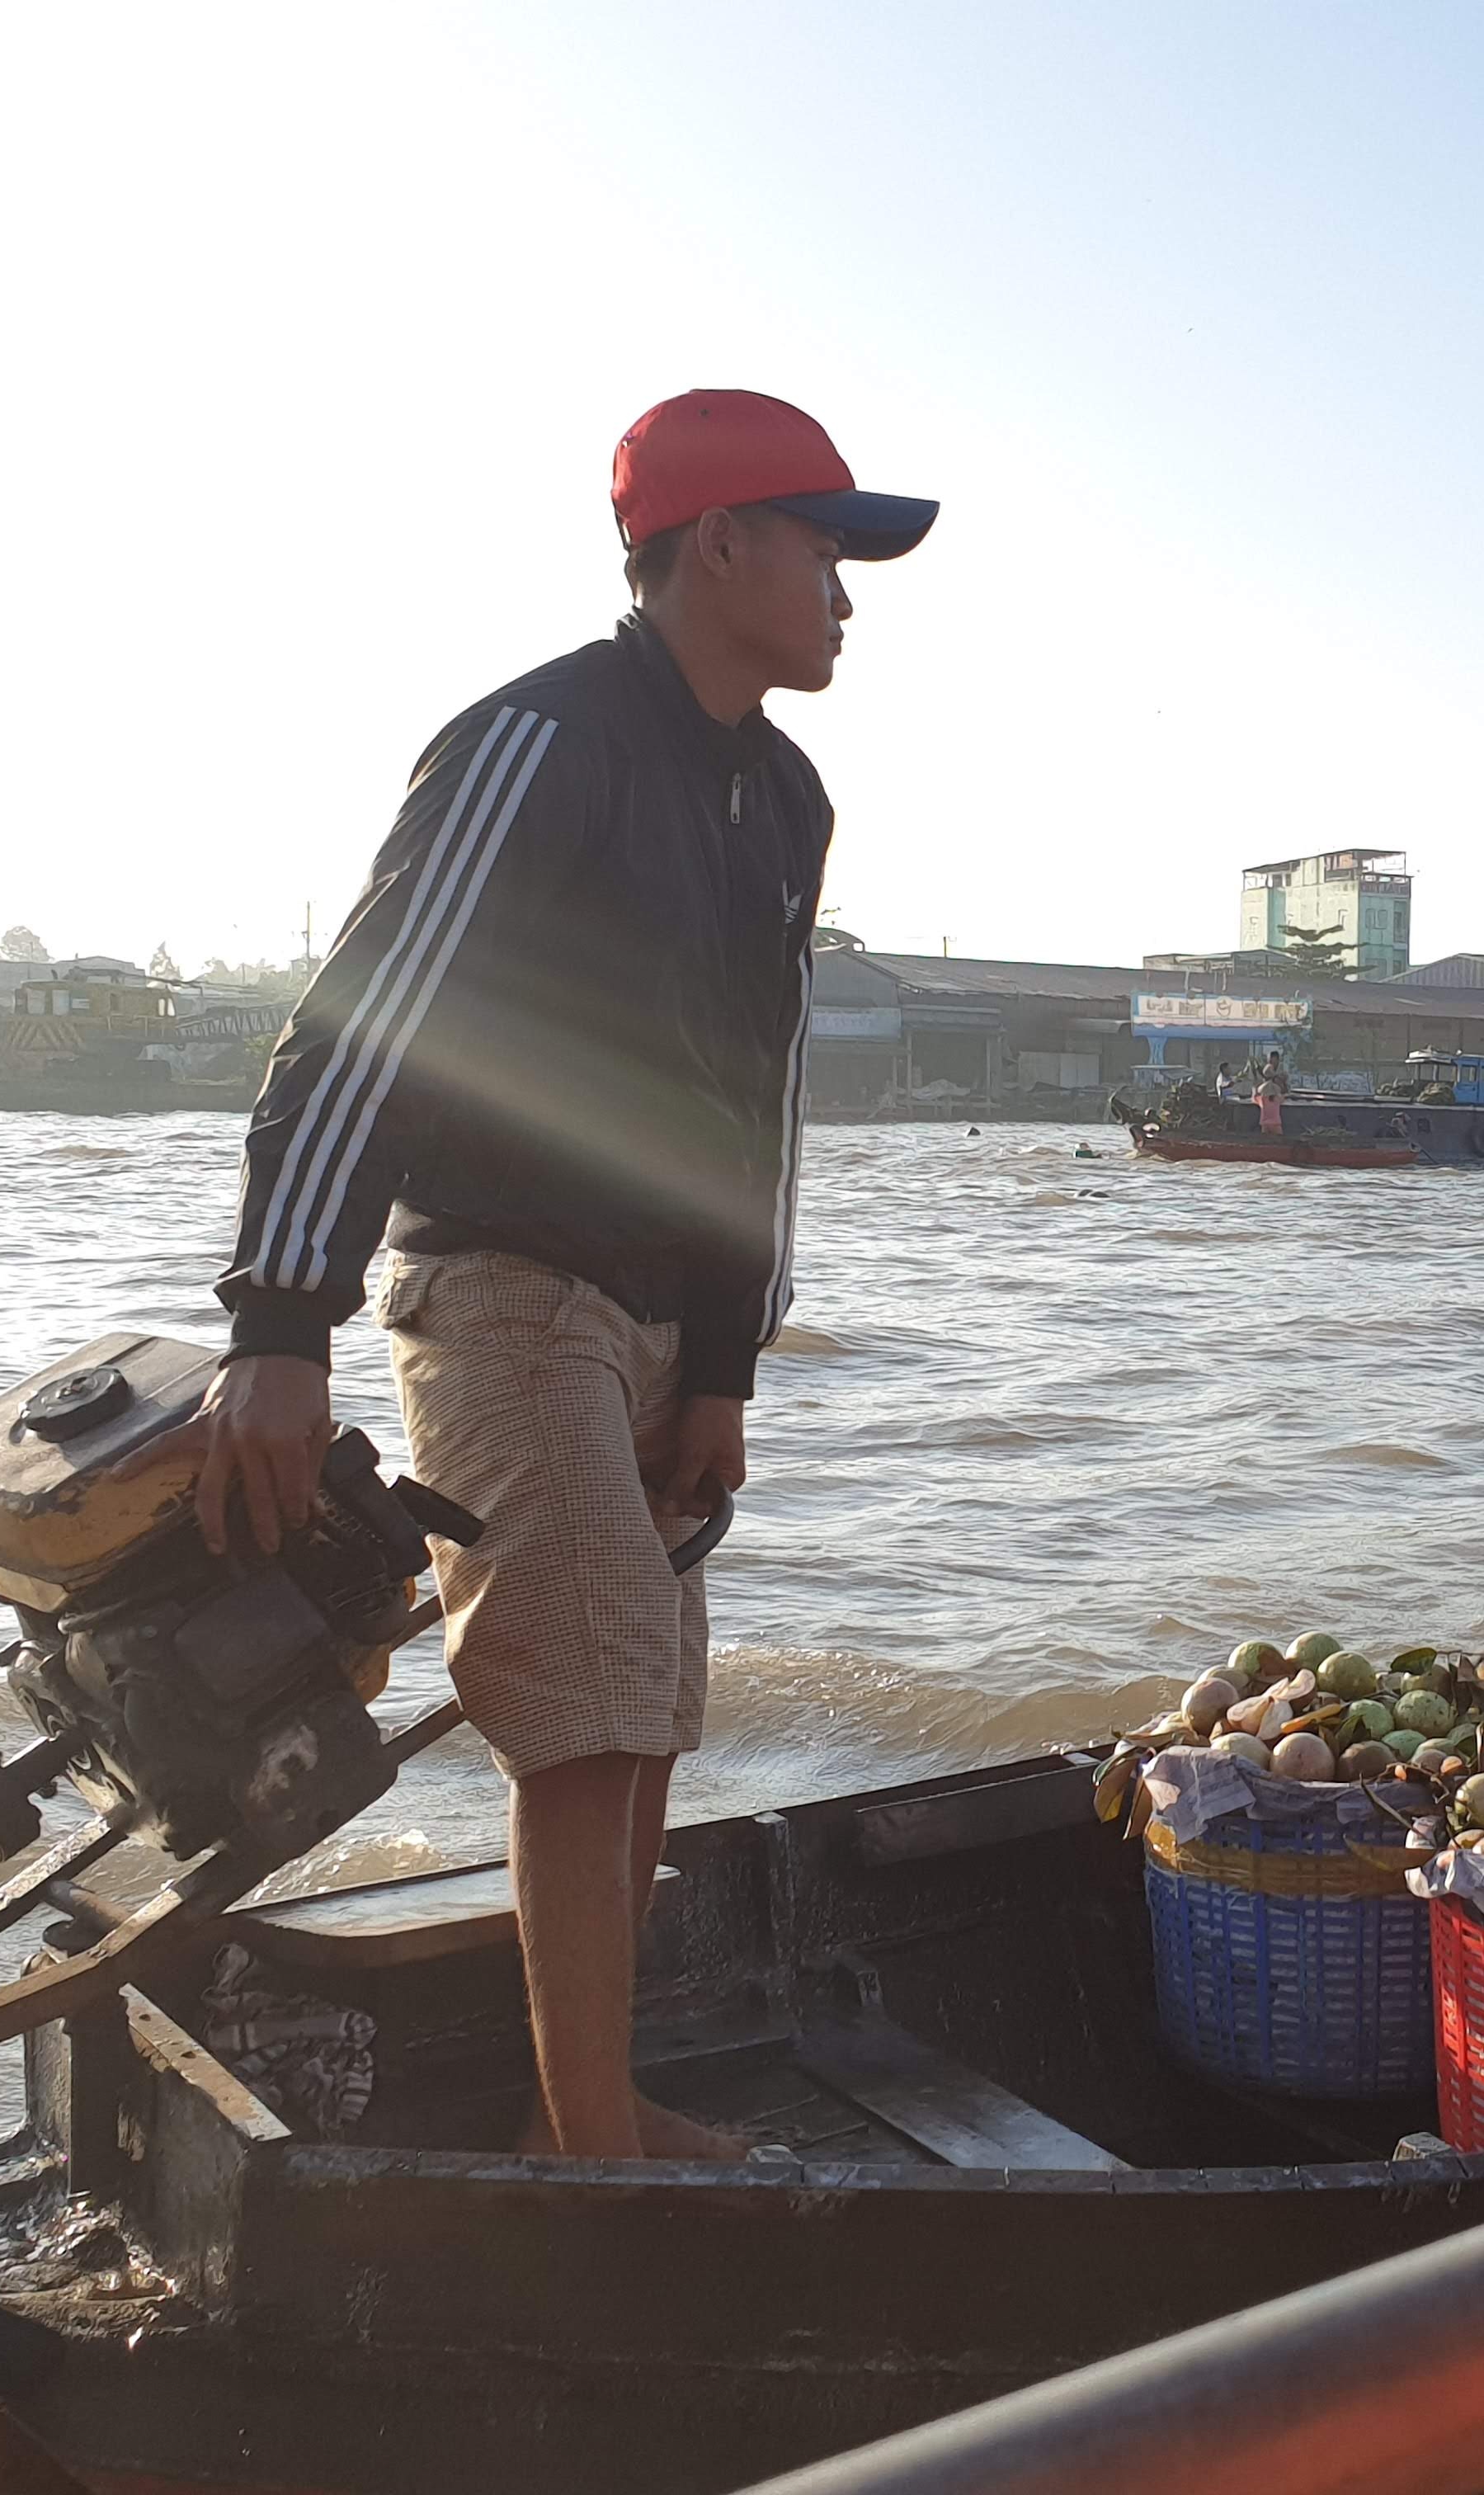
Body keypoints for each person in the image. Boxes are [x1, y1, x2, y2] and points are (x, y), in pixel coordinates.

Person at [195, 388, 935, 2158]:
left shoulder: (783, 796)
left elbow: (750, 1103)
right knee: (587, 1715)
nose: (847, 593)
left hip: (664, 1327)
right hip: (503, 1288)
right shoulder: (538, 740)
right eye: (827, 548)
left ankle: (594, 2114)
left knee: (649, 1705)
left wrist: (726, 1367)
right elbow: (367, 1026)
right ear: (719, 544)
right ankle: (595, 2148)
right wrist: (281, 1325)